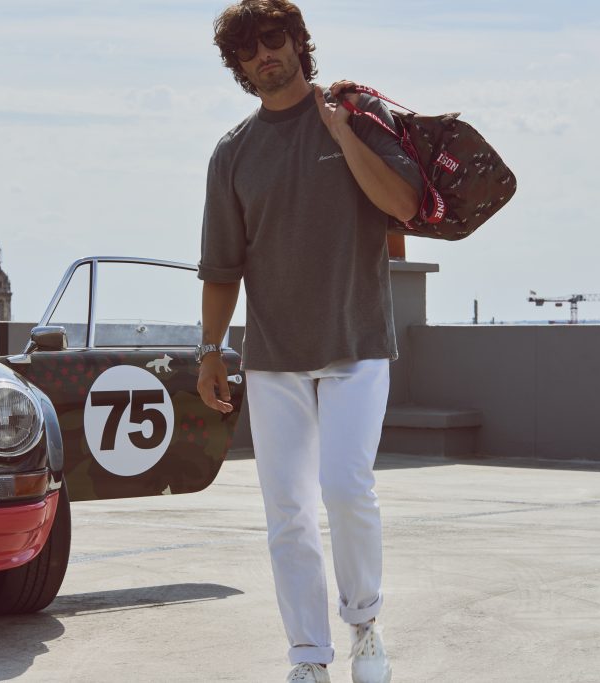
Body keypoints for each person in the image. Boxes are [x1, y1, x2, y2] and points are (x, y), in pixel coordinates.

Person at [195, 2, 423, 682]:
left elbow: (403, 206)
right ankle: (308, 656)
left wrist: (341, 131)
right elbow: (222, 267)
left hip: (358, 342)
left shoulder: (356, 117)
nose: (263, 54)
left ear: (298, 42)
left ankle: (365, 626)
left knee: (346, 487)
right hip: (273, 358)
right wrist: (210, 351)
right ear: (238, 66)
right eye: (248, 49)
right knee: (288, 513)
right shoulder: (232, 152)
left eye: (274, 38)